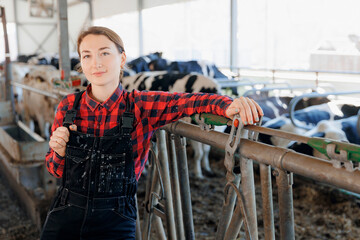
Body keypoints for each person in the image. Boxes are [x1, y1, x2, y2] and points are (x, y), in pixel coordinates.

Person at [41, 26, 263, 240]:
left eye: (105, 53)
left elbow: (188, 101)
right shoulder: (68, 106)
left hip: (115, 219)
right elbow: (55, 169)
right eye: (86, 56)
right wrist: (58, 152)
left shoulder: (140, 105)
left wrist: (229, 105)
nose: (96, 63)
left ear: (122, 59)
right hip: (66, 211)